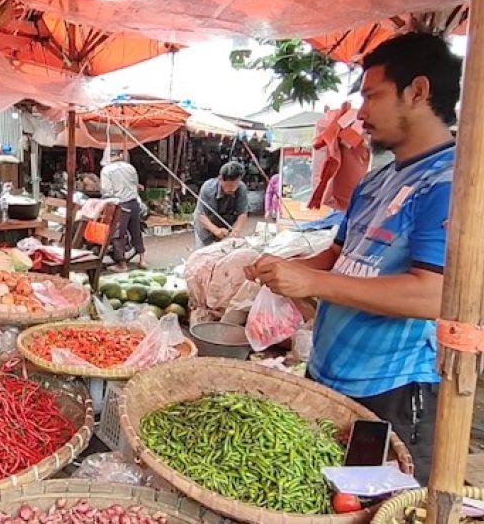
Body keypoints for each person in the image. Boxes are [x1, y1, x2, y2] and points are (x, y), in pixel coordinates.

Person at [244, 33, 462, 485]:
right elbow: (338, 255)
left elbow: (433, 294)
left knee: (378, 504)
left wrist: (313, 285)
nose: (360, 113)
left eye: (372, 95)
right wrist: (288, 271)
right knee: (324, 492)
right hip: (331, 373)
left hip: (394, 388)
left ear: (418, 92)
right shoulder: (375, 182)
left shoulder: (452, 183)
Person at [100, 149, 146, 271]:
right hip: (133, 202)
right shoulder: (130, 168)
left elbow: (106, 191)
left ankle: (122, 264)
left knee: (118, 234)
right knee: (136, 230)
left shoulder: (106, 171)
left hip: (120, 205)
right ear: (120, 155)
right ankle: (142, 259)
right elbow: (136, 185)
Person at [194, 161, 249, 247]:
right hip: (206, 228)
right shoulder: (208, 188)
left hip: (226, 228)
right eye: (229, 185)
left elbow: (242, 213)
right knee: (205, 255)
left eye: (236, 184)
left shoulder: (241, 188)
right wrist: (215, 230)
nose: (233, 188)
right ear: (220, 179)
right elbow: (201, 215)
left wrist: (236, 230)